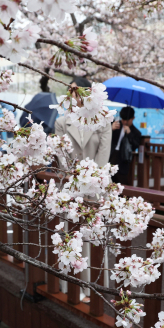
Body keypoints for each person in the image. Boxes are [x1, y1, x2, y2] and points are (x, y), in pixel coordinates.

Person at [54, 76, 112, 303]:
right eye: (71, 92)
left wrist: (91, 183)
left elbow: (103, 157)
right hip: (69, 185)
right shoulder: (61, 122)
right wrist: (75, 180)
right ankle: (70, 284)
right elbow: (61, 157)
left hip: (95, 186)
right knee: (70, 235)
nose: (74, 96)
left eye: (77, 92)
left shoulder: (104, 120)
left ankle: (94, 287)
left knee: (92, 235)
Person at [54, 76, 112, 167]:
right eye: (70, 90)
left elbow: (104, 152)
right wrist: (73, 175)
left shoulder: (102, 121)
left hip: (97, 176)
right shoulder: (61, 122)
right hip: (70, 177)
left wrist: (93, 176)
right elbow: (61, 152)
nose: (72, 94)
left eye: (75, 90)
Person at [109, 106, 142, 186]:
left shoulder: (136, 132)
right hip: (111, 155)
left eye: (126, 120)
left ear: (133, 118)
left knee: (121, 183)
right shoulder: (115, 124)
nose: (124, 122)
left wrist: (129, 134)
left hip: (122, 160)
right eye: (122, 119)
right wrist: (110, 129)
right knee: (108, 180)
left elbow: (135, 146)